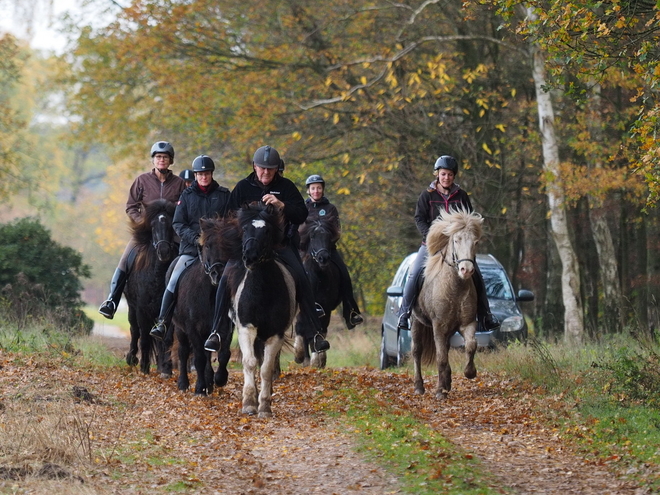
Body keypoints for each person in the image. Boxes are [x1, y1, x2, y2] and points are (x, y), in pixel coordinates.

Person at [204, 145, 330, 356]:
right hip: (248, 246)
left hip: (280, 245)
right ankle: (216, 331)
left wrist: (282, 205)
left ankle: (315, 332)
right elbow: (228, 216)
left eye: (270, 169)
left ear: (276, 170)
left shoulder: (287, 187)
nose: (266, 173)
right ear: (255, 167)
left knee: (301, 276)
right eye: (262, 168)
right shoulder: (243, 188)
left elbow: (301, 215)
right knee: (225, 279)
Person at [396, 155, 499, 332]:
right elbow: (419, 218)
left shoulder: (462, 196)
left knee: (477, 275)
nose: (446, 178)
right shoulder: (426, 195)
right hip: (431, 245)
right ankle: (404, 313)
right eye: (443, 174)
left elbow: (469, 219)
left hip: (458, 247)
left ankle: (485, 315)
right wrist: (430, 236)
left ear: (454, 176)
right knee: (415, 273)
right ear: (437, 175)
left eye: (450, 174)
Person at [98, 141, 186, 319]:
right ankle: (111, 301)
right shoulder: (142, 180)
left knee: (188, 260)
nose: (162, 160)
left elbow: (184, 208)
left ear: (171, 161)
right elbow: (131, 206)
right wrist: (143, 222)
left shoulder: (179, 184)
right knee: (125, 260)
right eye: (158, 157)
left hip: (170, 233)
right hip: (146, 233)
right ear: (153, 160)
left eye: (165, 157)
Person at [150, 155, 231, 341]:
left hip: (217, 251)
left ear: (211, 174)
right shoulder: (186, 196)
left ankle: (236, 319)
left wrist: (218, 238)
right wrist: (196, 238)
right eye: (200, 174)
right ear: (196, 175)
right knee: (174, 279)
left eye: (207, 173)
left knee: (234, 277)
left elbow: (230, 221)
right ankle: (162, 321)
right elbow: (178, 223)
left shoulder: (224, 195)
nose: (204, 177)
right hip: (191, 249)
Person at [304, 174, 364, 329]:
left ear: (322, 190)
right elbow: (298, 230)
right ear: (308, 191)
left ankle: (350, 312)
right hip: (306, 250)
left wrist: (325, 244)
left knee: (344, 274)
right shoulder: (303, 208)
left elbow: (337, 231)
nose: (316, 191)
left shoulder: (330, 209)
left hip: (327, 249)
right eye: (313, 188)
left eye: (318, 188)